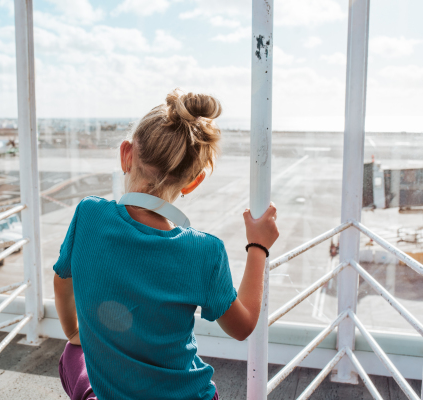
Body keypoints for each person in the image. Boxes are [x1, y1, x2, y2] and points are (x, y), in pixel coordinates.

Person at [53, 88, 279, 400]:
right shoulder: (204, 250)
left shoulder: (88, 214)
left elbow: (63, 282)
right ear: (194, 180)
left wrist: (73, 333)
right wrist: (258, 246)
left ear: (126, 154)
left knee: (72, 354)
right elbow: (242, 327)